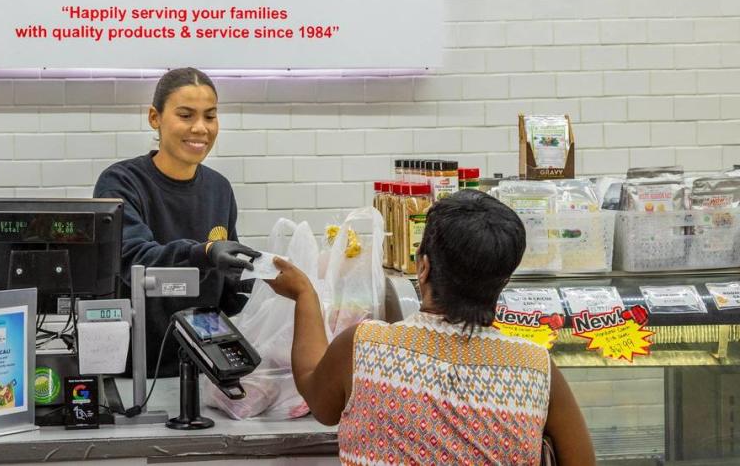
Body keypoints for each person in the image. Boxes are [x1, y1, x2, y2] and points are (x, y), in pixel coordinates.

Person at [268, 189, 595, 466]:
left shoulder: (364, 346)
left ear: (423, 267)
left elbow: (317, 396)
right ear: (503, 280)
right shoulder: (535, 367)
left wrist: (304, 295)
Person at [93, 68, 259, 376]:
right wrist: (204, 253)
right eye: (185, 115)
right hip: (138, 373)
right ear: (155, 118)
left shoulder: (218, 188)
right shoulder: (121, 182)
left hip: (202, 371)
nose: (200, 128)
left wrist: (263, 278)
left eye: (210, 116)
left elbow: (228, 295)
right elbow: (134, 260)